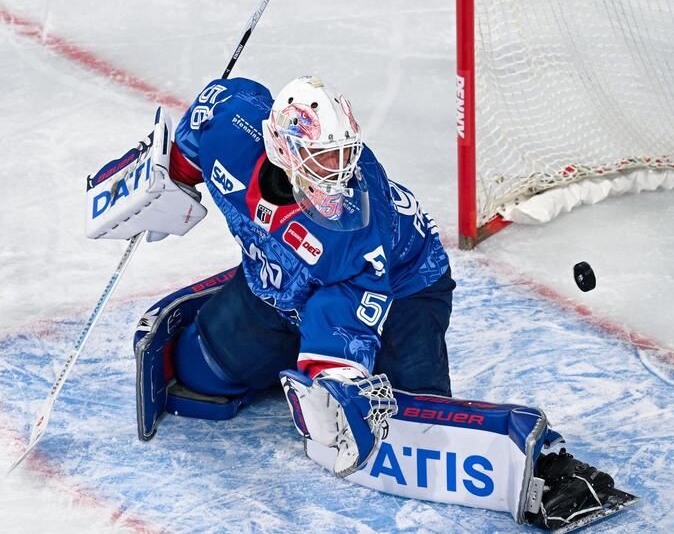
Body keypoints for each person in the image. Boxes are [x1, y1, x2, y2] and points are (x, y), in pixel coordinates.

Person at [85, 75, 634, 530]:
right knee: (196, 379)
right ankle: (277, 353)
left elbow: (345, 309)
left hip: (401, 288)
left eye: (343, 155)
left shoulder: (354, 223)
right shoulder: (232, 123)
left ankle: (544, 471)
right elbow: (199, 130)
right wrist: (165, 177)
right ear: (282, 149)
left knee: (406, 423)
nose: (339, 173)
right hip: (275, 284)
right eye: (323, 160)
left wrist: (335, 378)